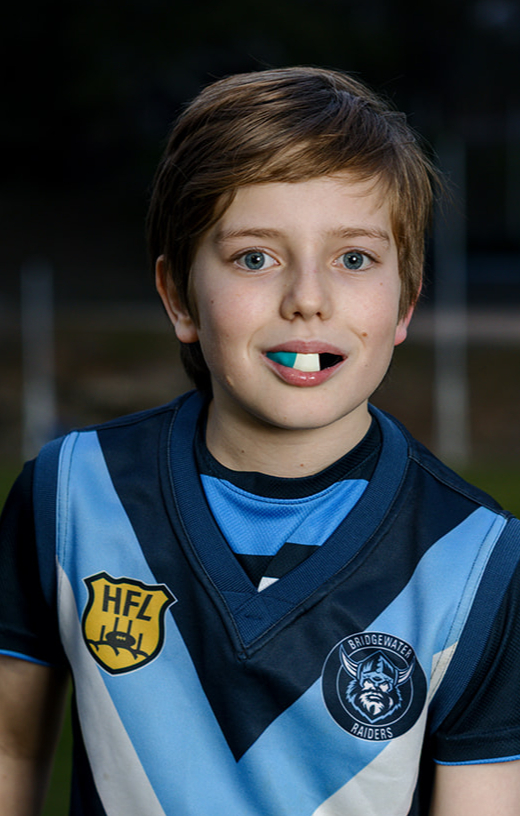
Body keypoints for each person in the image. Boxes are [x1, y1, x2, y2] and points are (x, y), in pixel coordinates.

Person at [1, 66, 520, 816]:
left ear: (406, 302)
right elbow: (12, 749)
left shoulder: (475, 560)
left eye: (353, 258)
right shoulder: (71, 495)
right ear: (180, 297)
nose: (307, 298)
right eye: (255, 257)